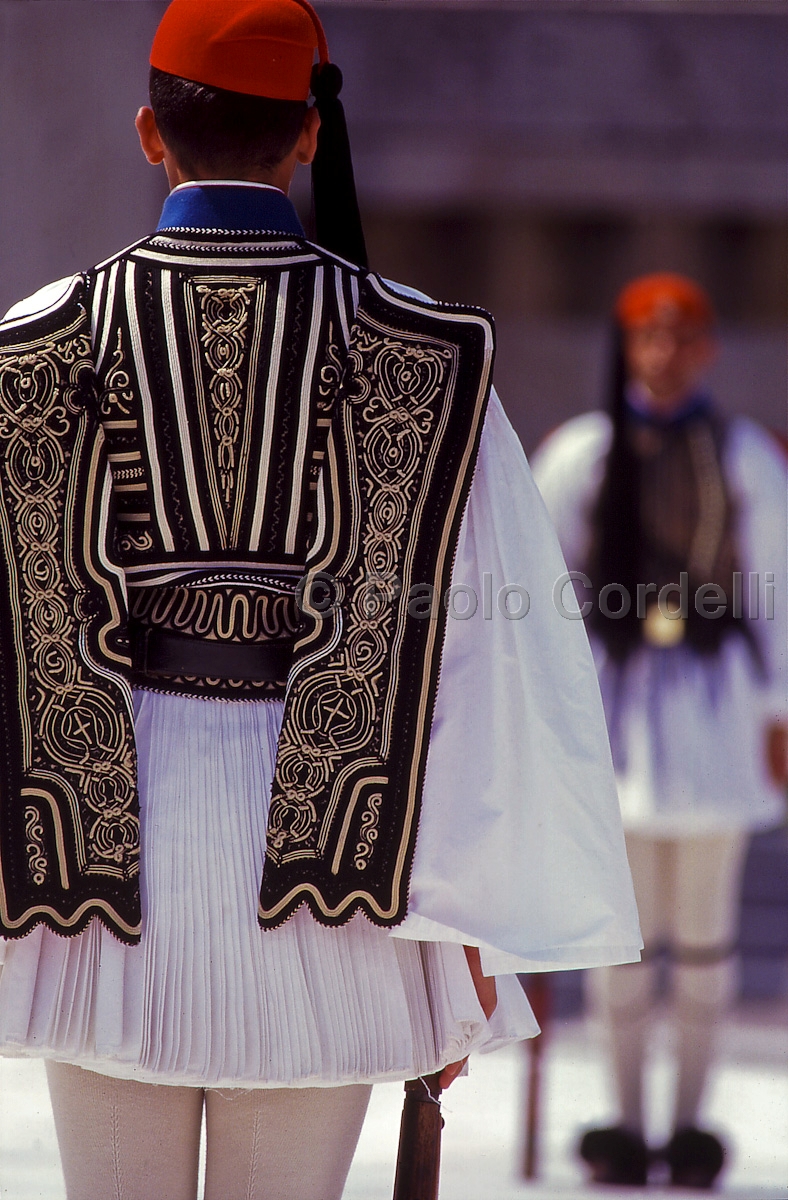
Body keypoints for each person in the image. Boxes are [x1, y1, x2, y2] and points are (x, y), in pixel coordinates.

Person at [0, 3, 641, 1196]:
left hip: (96, 877)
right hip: (335, 877)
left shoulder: (34, 341)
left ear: (150, 133)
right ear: (305, 136)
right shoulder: (424, 355)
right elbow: (484, 659)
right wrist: (465, 927)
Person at [531, 272, 788, 1189]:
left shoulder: (744, 453)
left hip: (714, 702)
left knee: (707, 940)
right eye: (649, 335)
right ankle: (627, 1122)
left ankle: (688, 1127)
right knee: (624, 941)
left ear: (708, 348)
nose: (666, 353)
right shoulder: (585, 452)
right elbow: (543, 592)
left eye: (682, 336)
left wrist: (780, 713)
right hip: (617, 706)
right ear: (628, 345)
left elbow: (777, 591)